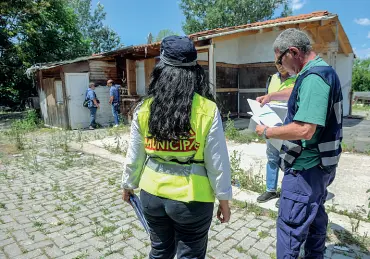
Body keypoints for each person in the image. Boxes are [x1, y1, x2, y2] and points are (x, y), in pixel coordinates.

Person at [121, 35, 232, 259]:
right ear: (194, 71)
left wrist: (127, 185)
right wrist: (224, 201)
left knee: (160, 251)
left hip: (151, 196)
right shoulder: (207, 109)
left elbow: (135, 154)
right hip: (192, 201)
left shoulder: (144, 107)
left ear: (161, 68)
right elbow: (217, 161)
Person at [255, 28, 342, 259]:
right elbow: (299, 91)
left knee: (290, 227)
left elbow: (304, 129)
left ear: (293, 52)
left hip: (306, 168)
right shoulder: (319, 71)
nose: (280, 66)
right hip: (321, 166)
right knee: (314, 217)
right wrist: (272, 97)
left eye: (280, 60)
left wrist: (268, 131)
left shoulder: (313, 78)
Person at [257, 63, 296, 206]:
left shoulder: (297, 78)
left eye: (282, 62)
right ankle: (271, 190)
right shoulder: (272, 78)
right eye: (277, 63)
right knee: (272, 157)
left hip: (288, 126)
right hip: (271, 124)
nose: (280, 66)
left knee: (287, 159)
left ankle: (286, 193)